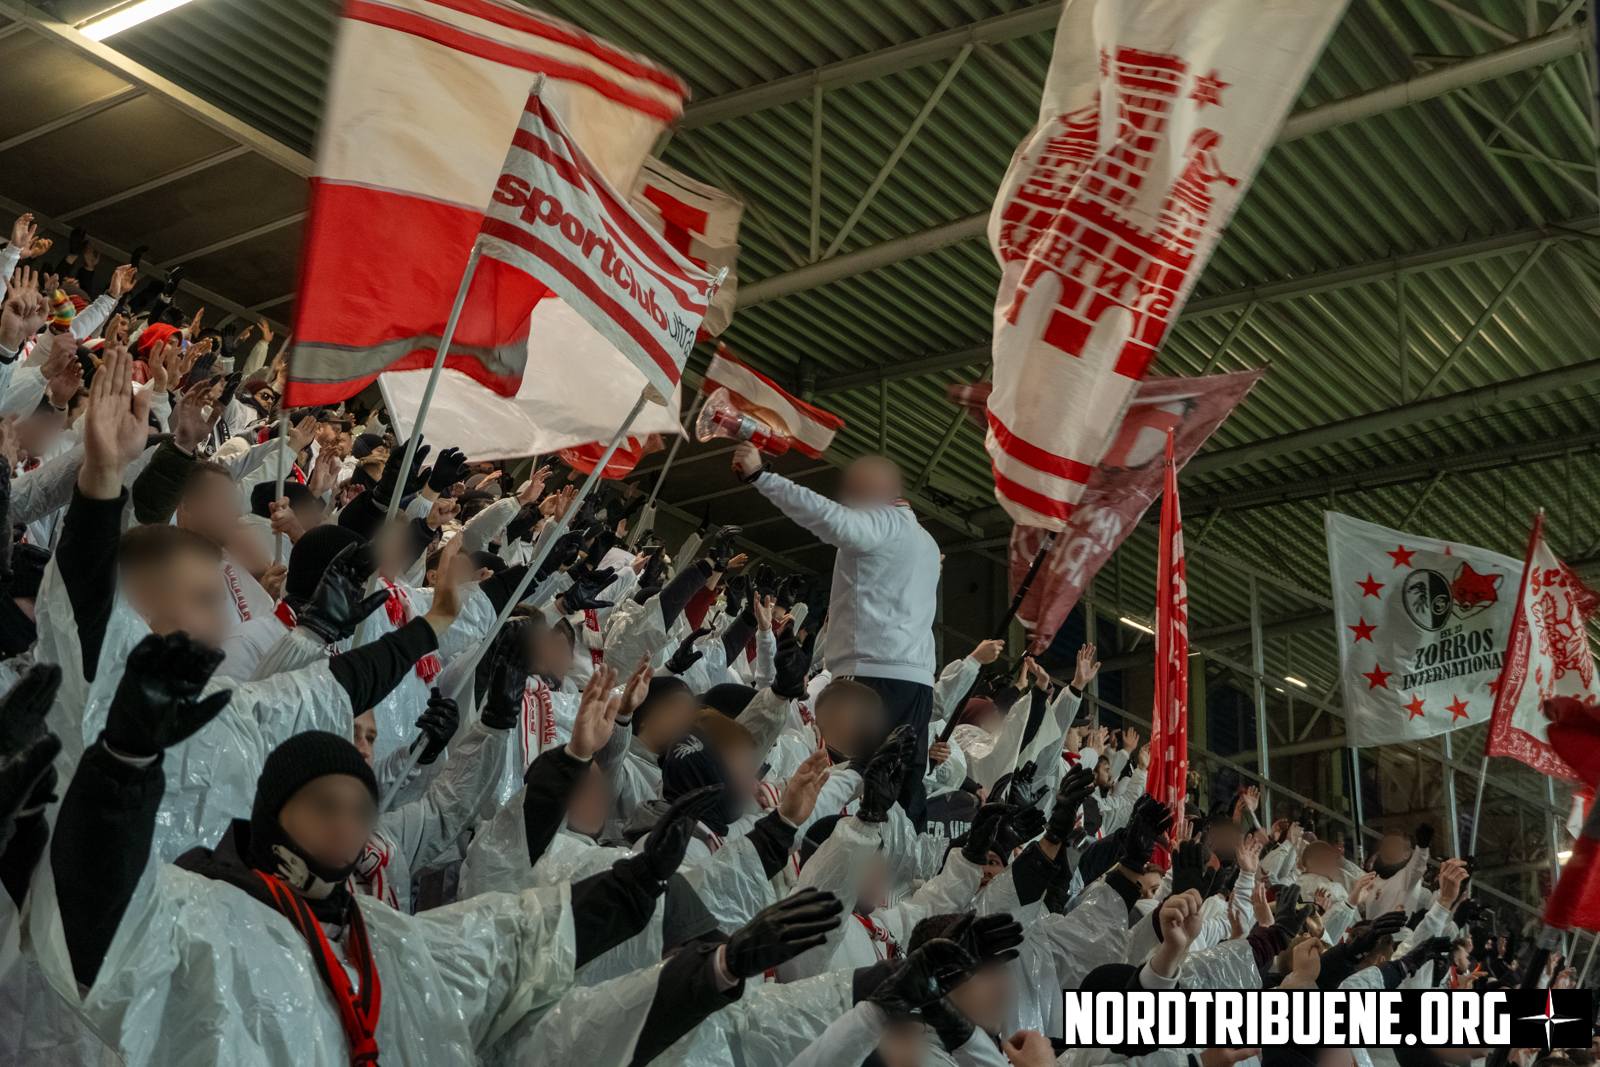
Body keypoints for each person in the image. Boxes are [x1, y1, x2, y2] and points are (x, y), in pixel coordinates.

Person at [732, 443, 940, 829]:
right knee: (901, 790)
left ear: (875, 488)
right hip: (917, 685)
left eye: (855, 486)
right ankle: (899, 863)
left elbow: (829, 518)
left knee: (855, 782)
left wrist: (763, 477)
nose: (848, 496)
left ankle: (810, 846)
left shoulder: (882, 523)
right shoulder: (926, 542)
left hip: (873, 678)